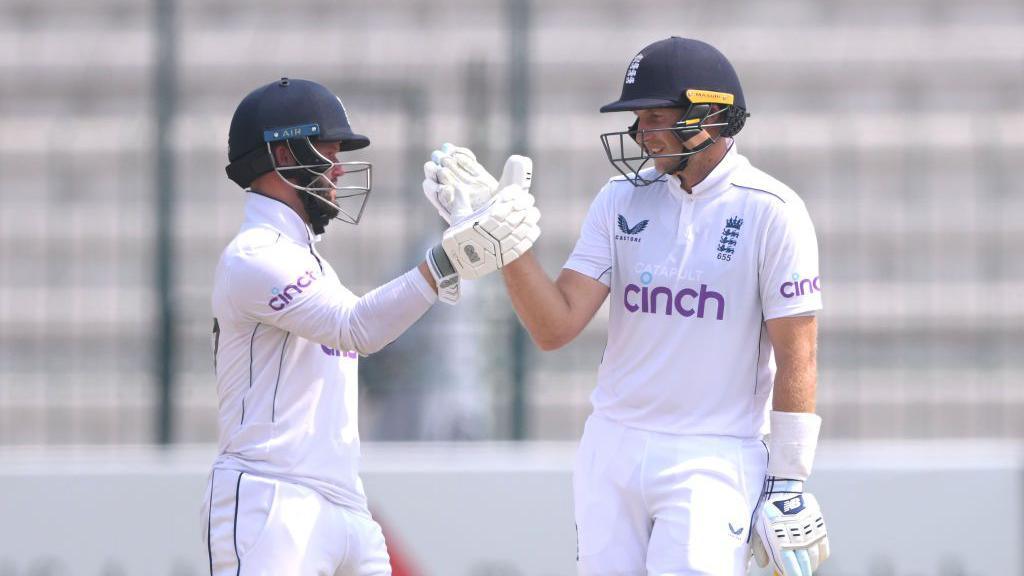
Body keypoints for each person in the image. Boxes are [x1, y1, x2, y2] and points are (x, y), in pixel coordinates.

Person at [426, 37, 830, 575]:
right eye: (638, 119)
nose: (642, 135)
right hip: (611, 448)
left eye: (656, 117)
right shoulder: (619, 198)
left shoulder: (773, 211)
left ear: (709, 116)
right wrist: (504, 240)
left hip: (712, 456)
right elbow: (556, 324)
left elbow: (797, 353)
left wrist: (788, 480)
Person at [203, 78, 538, 575]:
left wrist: (452, 255)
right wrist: (447, 259)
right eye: (328, 151)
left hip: (343, 500)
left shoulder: (303, 258)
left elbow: (368, 325)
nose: (338, 167)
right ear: (282, 153)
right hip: (273, 500)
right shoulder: (256, 255)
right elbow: (356, 327)